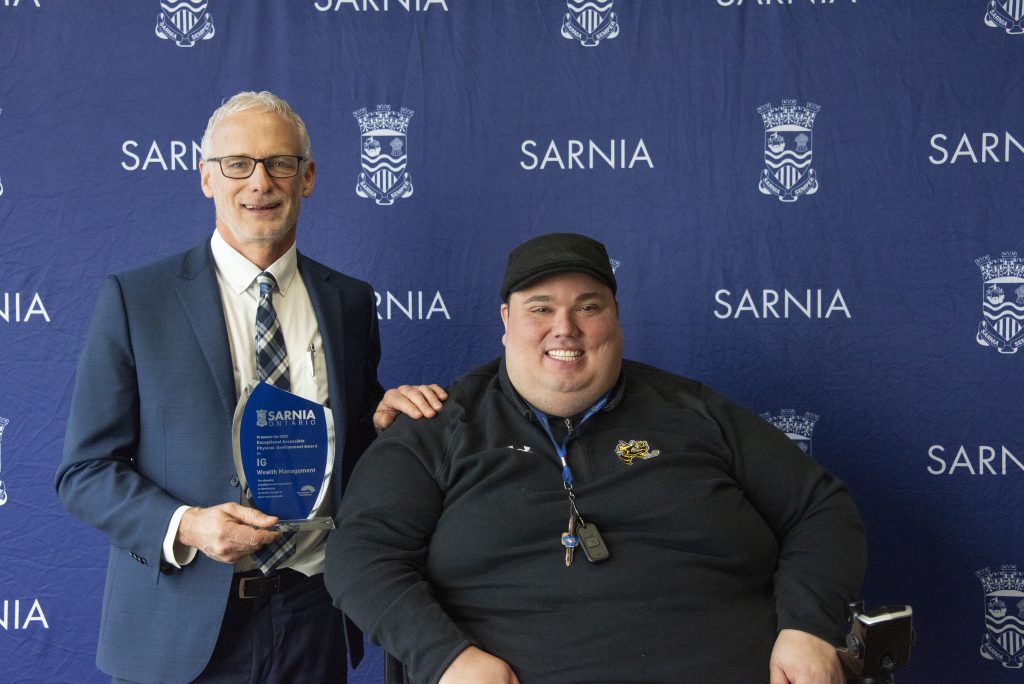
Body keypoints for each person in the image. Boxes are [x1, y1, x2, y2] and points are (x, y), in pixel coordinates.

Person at [325, 233, 867, 684]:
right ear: (506, 320)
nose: (566, 327)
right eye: (540, 308)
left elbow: (819, 508)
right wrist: (447, 659)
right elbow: (359, 554)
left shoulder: (695, 411)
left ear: (615, 317)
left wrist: (809, 628)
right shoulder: (437, 426)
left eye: (588, 306)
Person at [56, 91, 444, 684]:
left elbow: (348, 446)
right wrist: (186, 525)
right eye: (237, 164)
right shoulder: (138, 301)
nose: (259, 182)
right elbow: (84, 472)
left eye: (279, 163)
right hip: (180, 624)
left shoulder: (350, 302)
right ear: (207, 178)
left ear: (307, 177)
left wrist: (380, 423)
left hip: (314, 612)